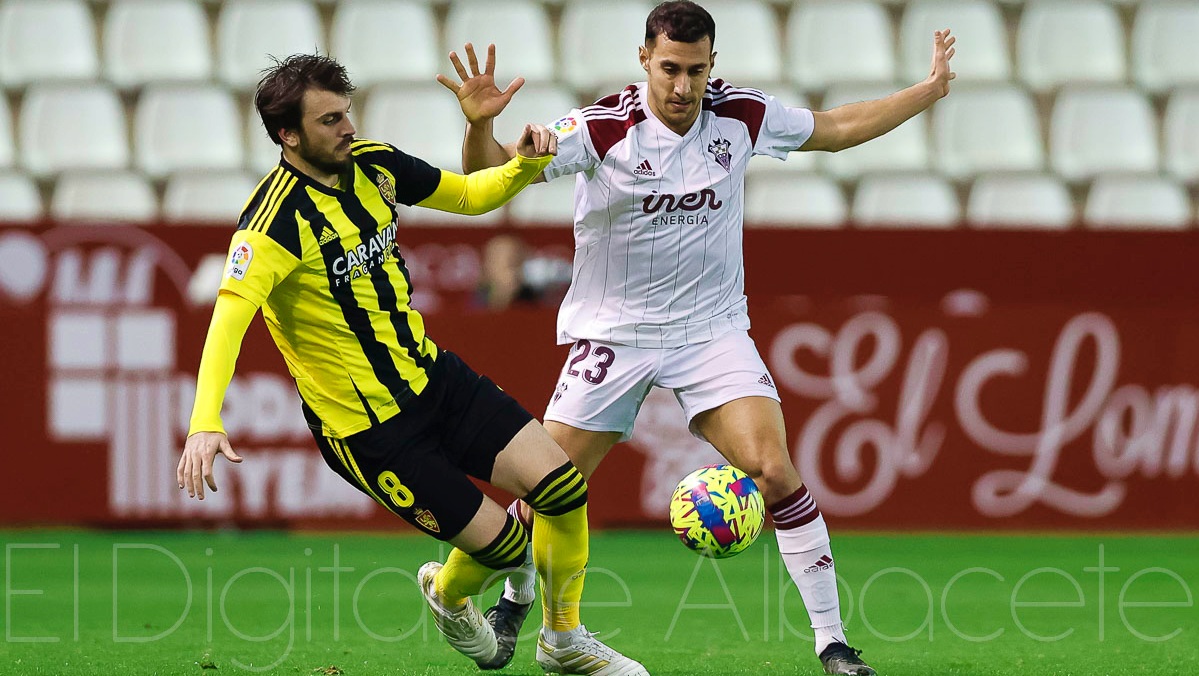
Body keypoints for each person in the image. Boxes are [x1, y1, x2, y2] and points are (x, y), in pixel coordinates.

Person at [437, 2, 957, 673]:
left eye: (697, 71)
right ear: (644, 61)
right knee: (550, 483)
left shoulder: (739, 115)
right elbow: (486, 180)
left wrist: (927, 90)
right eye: (670, 69)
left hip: (709, 333)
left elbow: (833, 128)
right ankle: (512, 601)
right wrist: (483, 129)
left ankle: (832, 644)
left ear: (713, 65)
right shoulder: (599, 127)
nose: (683, 87)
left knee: (772, 469)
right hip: (613, 331)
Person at [177, 54, 647, 676]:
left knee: (562, 489)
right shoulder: (272, 224)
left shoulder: (372, 163)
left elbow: (470, 195)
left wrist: (522, 164)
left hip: (433, 378)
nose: (348, 127)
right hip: (370, 430)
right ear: (288, 135)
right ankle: (449, 598)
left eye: (346, 112)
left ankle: (563, 645)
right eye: (329, 120)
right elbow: (228, 321)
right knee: (509, 547)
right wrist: (204, 419)